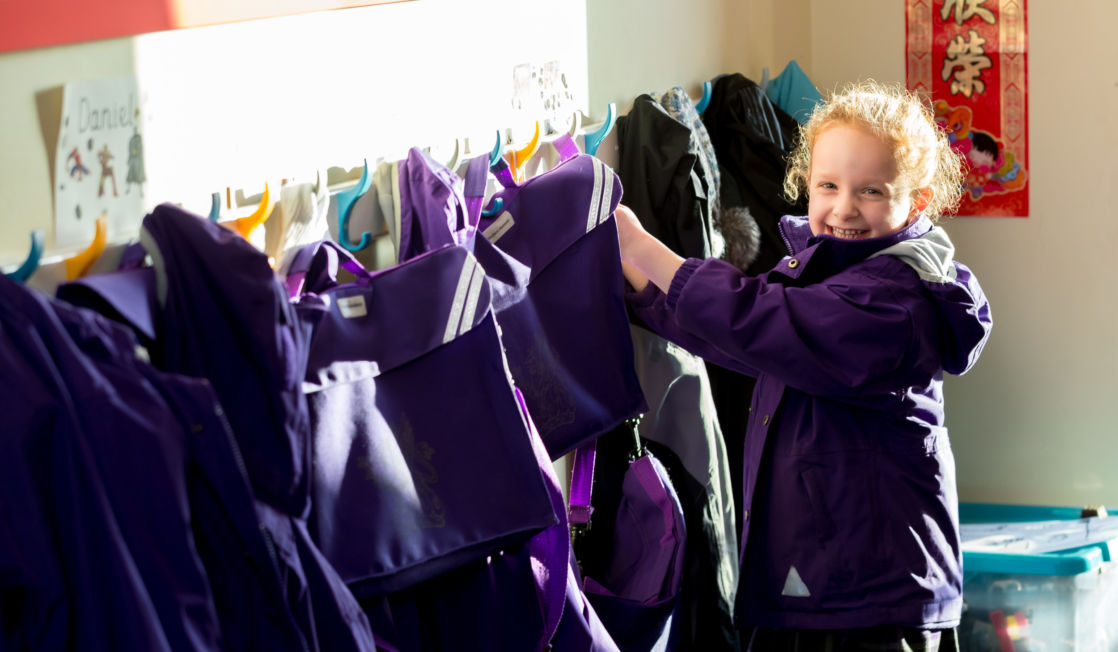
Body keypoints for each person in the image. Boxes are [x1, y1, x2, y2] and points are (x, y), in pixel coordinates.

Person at [615, 79, 992, 651]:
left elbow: (757, 319)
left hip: (869, 599)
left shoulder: (895, 301)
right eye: (828, 186)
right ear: (806, 186)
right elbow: (737, 338)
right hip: (821, 581)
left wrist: (646, 251)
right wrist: (639, 280)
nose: (844, 208)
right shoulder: (824, 270)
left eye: (870, 191)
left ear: (916, 200)